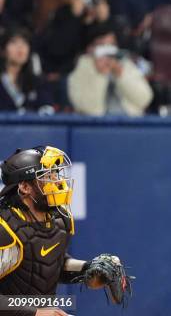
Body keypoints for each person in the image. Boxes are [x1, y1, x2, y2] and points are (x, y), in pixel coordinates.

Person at [0, 145, 132, 315]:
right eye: (47, 176)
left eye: (56, 174)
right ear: (25, 187)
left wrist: (89, 270)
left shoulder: (58, 220)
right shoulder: (5, 228)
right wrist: (35, 313)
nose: (56, 182)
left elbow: (48, 264)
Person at [67, 28, 152, 116]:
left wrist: (120, 75)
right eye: (102, 45)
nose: (107, 50)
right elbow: (87, 108)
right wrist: (100, 74)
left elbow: (144, 99)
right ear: (90, 48)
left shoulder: (125, 64)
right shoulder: (82, 67)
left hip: (128, 124)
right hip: (94, 125)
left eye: (111, 44)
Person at [36, 0, 109, 77]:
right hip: (58, 71)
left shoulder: (97, 18)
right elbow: (57, 49)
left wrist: (103, 20)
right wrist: (74, 16)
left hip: (91, 73)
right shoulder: (61, 13)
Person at [0, 27, 52, 113]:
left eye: (24, 43)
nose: (20, 47)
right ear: (2, 50)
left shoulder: (38, 82)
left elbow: (47, 109)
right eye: (14, 42)